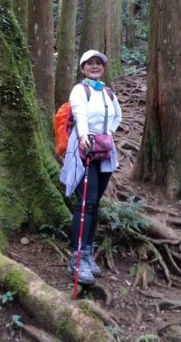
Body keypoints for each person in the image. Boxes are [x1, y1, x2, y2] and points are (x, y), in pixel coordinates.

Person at [60, 49, 122, 285]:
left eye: (99, 63)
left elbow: (117, 116)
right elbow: (80, 113)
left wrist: (108, 134)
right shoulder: (80, 89)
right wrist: (86, 136)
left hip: (104, 150)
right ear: (82, 68)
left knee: (95, 204)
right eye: (90, 63)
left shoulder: (107, 92)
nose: (95, 66)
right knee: (85, 202)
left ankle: (87, 252)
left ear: (103, 68)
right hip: (84, 148)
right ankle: (76, 259)